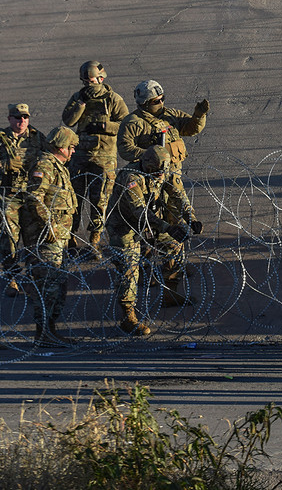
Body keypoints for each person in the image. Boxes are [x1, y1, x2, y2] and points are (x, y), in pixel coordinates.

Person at [105, 145, 199, 337]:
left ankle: (170, 293)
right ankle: (127, 317)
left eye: (163, 172)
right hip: (125, 227)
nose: (161, 176)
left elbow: (178, 194)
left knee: (174, 246)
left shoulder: (164, 171)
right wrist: (167, 227)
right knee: (129, 267)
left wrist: (191, 216)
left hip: (152, 223)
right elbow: (139, 212)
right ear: (148, 167)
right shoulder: (131, 178)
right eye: (157, 172)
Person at [118, 79, 208, 232]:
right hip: (151, 178)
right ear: (145, 103)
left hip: (172, 174)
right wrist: (151, 155)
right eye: (156, 101)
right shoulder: (133, 123)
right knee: (152, 219)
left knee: (176, 215)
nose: (161, 103)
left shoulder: (171, 115)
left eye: (162, 99)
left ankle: (172, 248)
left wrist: (199, 116)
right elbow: (124, 148)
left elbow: (191, 129)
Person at [62, 60, 130, 258]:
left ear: (101, 78)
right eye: (86, 82)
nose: (89, 85)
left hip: (104, 158)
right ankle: (71, 239)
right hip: (80, 156)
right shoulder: (78, 97)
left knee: (99, 200)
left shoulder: (113, 99)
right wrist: (80, 105)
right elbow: (68, 120)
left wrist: (104, 127)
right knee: (74, 199)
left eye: (91, 81)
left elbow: (124, 124)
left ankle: (94, 241)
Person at [22, 126, 80, 347]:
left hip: (59, 238)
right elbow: (34, 198)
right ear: (61, 146)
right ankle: (43, 333)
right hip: (46, 239)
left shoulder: (59, 166)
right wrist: (51, 227)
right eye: (71, 147)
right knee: (48, 287)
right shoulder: (45, 165)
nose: (73, 152)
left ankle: (51, 331)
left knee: (58, 286)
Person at [0, 103, 49, 296]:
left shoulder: (38, 138)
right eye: (17, 117)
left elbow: (50, 159)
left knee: (33, 239)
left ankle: (33, 279)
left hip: (31, 196)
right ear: (9, 119)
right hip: (9, 197)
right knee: (9, 240)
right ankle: (11, 278)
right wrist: (5, 165)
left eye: (25, 117)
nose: (21, 121)